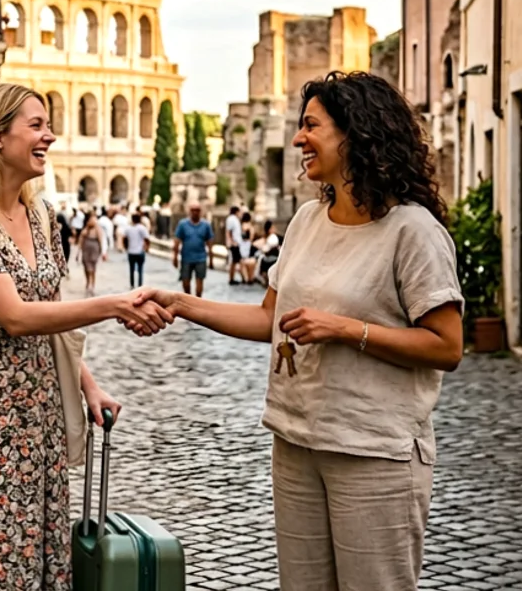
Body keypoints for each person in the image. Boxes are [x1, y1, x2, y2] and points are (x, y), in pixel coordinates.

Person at [137, 71, 463, 591]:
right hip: (295, 441)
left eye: (311, 125)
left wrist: (344, 329)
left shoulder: (413, 230)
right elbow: (270, 319)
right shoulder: (308, 220)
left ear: (355, 132)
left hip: (373, 452)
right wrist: (180, 303)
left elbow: (446, 346)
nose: (297, 139)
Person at [0, 83, 173, 591]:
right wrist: (113, 304)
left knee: (37, 555)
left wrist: (89, 386)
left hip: (41, 419)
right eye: (36, 126)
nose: (50, 136)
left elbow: (51, 320)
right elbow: (16, 317)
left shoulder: (41, 217)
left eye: (48, 126)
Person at [173, 201, 215, 297]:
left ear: (201, 211)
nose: (195, 212)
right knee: (185, 282)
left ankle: (197, 301)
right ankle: (189, 300)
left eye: (197, 210)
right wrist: (175, 257)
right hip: (186, 258)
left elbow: (210, 243)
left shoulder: (206, 225)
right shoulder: (183, 224)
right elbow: (177, 241)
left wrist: (211, 259)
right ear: (189, 211)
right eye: (193, 210)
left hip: (201, 258)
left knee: (200, 281)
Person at [122, 211, 150, 289]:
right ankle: (140, 285)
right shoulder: (142, 228)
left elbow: (124, 238)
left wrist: (126, 247)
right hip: (140, 251)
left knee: (131, 269)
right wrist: (147, 248)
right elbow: (147, 239)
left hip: (131, 251)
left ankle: (132, 284)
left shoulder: (128, 228)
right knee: (140, 269)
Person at [78, 217, 103, 293]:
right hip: (86, 250)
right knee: (86, 266)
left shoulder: (97, 229)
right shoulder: (85, 230)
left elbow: (100, 240)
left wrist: (101, 251)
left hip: (94, 249)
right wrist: (78, 252)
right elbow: (80, 240)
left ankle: (92, 283)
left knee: (93, 266)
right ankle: (88, 281)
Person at [226, 205, 244, 284]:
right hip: (234, 244)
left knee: (235, 261)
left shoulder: (234, 219)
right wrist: (233, 242)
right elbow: (229, 231)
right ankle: (241, 278)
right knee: (236, 261)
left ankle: (233, 278)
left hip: (235, 243)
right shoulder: (232, 219)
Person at [239, 215, 258, 284]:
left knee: (242, 261)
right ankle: (249, 278)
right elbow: (251, 237)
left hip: (242, 244)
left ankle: (245, 278)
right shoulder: (250, 226)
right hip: (247, 244)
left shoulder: (241, 226)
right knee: (248, 261)